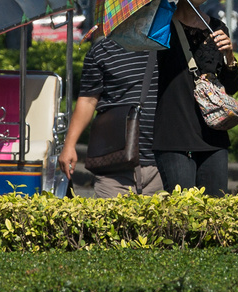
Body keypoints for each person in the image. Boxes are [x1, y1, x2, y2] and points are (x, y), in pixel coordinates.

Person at [154, 0, 238, 195]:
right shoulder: (161, 27)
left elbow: (231, 87)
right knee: (183, 212)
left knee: (214, 213)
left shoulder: (217, 27)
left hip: (213, 136)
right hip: (173, 135)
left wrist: (229, 56)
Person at [58, 35, 163, 196]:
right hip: (114, 165)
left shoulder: (168, 46)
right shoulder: (101, 50)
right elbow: (88, 100)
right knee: (110, 221)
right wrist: (69, 145)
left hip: (162, 164)